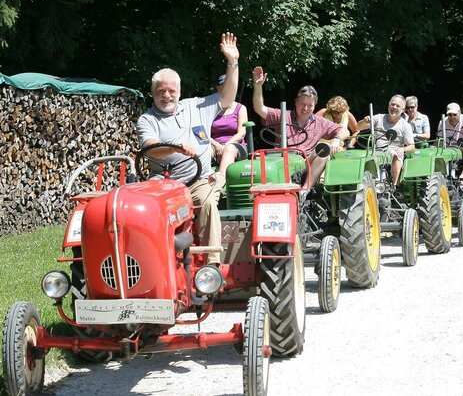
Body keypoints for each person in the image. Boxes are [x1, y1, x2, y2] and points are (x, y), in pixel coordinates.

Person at [136, 32, 240, 266]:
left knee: (207, 202)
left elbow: (227, 96)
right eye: (161, 91)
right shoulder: (147, 119)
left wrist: (232, 63)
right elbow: (150, 148)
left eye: (171, 90)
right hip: (163, 184)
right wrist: (176, 148)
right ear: (153, 93)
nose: (166, 95)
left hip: (198, 180)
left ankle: (212, 264)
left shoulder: (196, 106)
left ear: (179, 92)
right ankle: (151, 262)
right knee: (145, 211)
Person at [251, 67, 349, 185]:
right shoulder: (282, 115)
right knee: (257, 159)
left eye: (309, 105)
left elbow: (344, 130)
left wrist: (336, 141)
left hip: (306, 162)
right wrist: (258, 86)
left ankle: (305, 191)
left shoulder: (320, 122)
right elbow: (259, 108)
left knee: (323, 149)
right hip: (282, 160)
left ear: (315, 106)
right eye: (302, 104)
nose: (305, 108)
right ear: (296, 102)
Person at [356, 95, 415, 187]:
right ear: (388, 106)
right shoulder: (378, 118)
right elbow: (358, 127)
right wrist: (363, 121)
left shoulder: (405, 125)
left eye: (397, 106)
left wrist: (403, 149)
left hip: (393, 150)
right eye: (392, 104)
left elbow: (412, 146)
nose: (394, 107)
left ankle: (395, 186)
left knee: (396, 154)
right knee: (362, 156)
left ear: (403, 110)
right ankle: (364, 183)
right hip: (376, 150)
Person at [210, 74, 249, 182]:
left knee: (229, 149)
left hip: (236, 146)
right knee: (204, 150)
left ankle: (220, 182)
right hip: (214, 145)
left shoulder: (240, 108)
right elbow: (203, 134)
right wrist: (217, 145)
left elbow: (241, 133)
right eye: (224, 86)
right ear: (218, 88)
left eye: (230, 86)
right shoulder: (210, 109)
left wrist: (225, 145)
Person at [436, 102, 463, 179]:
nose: (452, 117)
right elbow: (439, 139)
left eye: (454, 114)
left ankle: (462, 176)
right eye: (450, 115)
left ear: (459, 113)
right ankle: (442, 176)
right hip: (447, 147)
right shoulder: (442, 122)